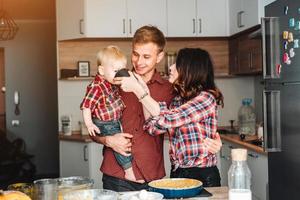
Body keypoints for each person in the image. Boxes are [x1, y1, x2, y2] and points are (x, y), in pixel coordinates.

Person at [90, 25, 222, 191]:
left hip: (153, 178)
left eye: (146, 56)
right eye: (135, 54)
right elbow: (93, 125)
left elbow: (183, 120)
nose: (139, 61)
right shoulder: (112, 83)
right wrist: (108, 140)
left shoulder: (172, 90)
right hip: (116, 174)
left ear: (159, 56)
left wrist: (214, 141)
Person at [117, 48, 224, 187]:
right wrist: (144, 90)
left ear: (189, 69)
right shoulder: (177, 100)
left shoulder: (205, 98)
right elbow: (152, 127)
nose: (171, 68)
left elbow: (168, 118)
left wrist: (138, 91)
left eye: (176, 64)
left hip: (202, 174)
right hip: (177, 172)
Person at [80, 45, 138, 182]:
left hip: (113, 120)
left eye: (121, 70)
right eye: (116, 70)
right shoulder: (97, 87)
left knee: (121, 142)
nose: (119, 74)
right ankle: (129, 171)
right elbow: (87, 106)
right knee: (121, 145)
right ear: (101, 70)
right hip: (105, 123)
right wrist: (89, 124)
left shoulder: (109, 82)